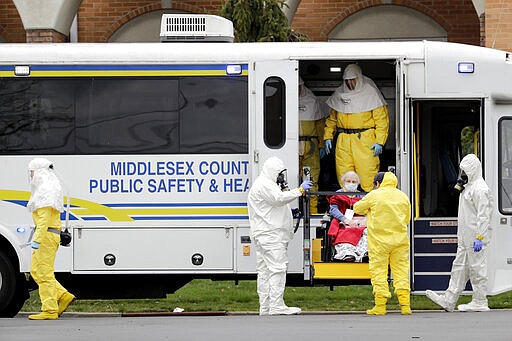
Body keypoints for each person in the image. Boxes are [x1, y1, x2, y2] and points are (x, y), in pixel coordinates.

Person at [426, 154, 493, 312]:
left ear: (473, 170)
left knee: (477, 268)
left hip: (476, 236)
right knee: (459, 267)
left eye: (465, 170)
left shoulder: (481, 189)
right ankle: (449, 300)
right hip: (465, 236)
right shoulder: (468, 186)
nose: (462, 173)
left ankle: (480, 300)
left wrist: (480, 237)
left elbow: (484, 216)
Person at [247, 156, 313, 316]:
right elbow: (279, 199)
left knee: (264, 271)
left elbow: (271, 207)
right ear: (273, 172)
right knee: (277, 268)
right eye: (280, 174)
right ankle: (276, 306)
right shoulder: (265, 185)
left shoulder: (265, 184)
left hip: (264, 234)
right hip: (270, 235)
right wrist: (300, 190)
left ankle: (266, 307)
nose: (281, 178)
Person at [353, 171, 412, 315]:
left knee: (379, 272)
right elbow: (407, 218)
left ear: (377, 183)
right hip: (400, 241)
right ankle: (405, 306)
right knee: (401, 272)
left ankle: (380, 306)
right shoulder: (403, 196)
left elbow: (357, 208)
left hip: (379, 243)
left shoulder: (374, 195)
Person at [324, 64, 389, 192]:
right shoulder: (339, 94)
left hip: (365, 140)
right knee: (345, 177)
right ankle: (347, 208)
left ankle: (370, 209)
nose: (349, 83)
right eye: (347, 80)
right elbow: (332, 119)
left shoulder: (370, 93)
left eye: (352, 79)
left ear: (359, 78)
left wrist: (379, 142)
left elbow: (382, 121)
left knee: (368, 175)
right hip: (343, 140)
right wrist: (327, 137)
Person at [27, 158, 75, 320]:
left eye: (32, 172)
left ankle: (49, 309)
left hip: (46, 236)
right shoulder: (47, 190)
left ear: (40, 173)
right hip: (49, 235)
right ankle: (62, 295)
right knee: (35, 270)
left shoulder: (44, 193)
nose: (31, 175)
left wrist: (37, 240)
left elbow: (44, 220)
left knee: (44, 273)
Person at [298, 77, 330, 214]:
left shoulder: (313, 101)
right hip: (290, 146)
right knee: (291, 181)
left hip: (310, 146)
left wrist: (322, 144)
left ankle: (312, 213)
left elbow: (320, 125)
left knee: (311, 181)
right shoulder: (284, 99)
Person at [327, 171, 368, 262]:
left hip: (360, 222)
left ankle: (364, 254)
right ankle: (348, 254)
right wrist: (345, 220)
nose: (351, 184)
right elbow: (333, 210)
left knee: (367, 231)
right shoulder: (338, 195)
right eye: (348, 181)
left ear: (358, 184)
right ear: (343, 183)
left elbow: (367, 210)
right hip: (343, 222)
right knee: (345, 231)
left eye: (354, 182)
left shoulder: (362, 196)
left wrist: (364, 221)